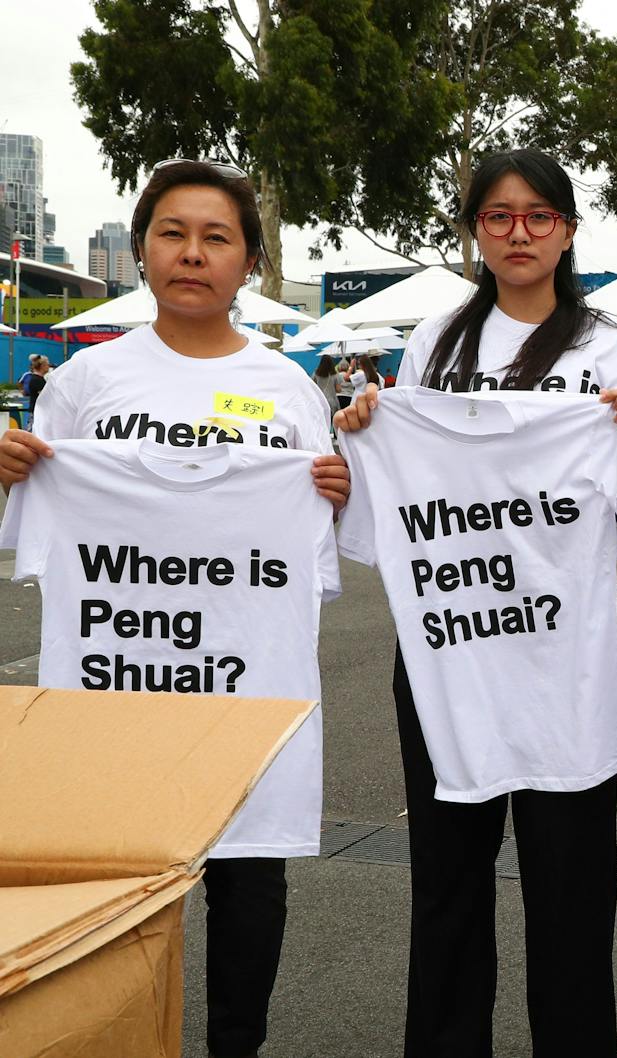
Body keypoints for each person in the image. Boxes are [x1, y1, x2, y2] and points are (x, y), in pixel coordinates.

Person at [0, 158, 348, 1058]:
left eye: (217, 238)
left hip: (245, 689)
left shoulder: (289, 390)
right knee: (114, 879)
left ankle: (240, 1045)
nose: (193, 254)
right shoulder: (83, 384)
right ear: (144, 249)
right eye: (172, 233)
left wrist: (339, 494)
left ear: (249, 262)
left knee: (247, 884)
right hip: (117, 686)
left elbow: (325, 542)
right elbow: (36, 521)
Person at [334, 147, 617, 1058]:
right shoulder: (436, 342)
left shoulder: (613, 347)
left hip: (570, 647)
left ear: (568, 230)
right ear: (474, 229)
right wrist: (365, 429)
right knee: (446, 880)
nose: (519, 233)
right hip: (450, 647)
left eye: (538, 216)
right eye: (498, 216)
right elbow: (413, 483)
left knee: (571, 889)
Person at [19, 355, 50, 430]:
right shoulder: (37, 380)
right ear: (42, 366)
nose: (49, 366)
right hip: (36, 412)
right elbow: (44, 396)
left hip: (38, 411)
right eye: (47, 364)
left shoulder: (39, 379)